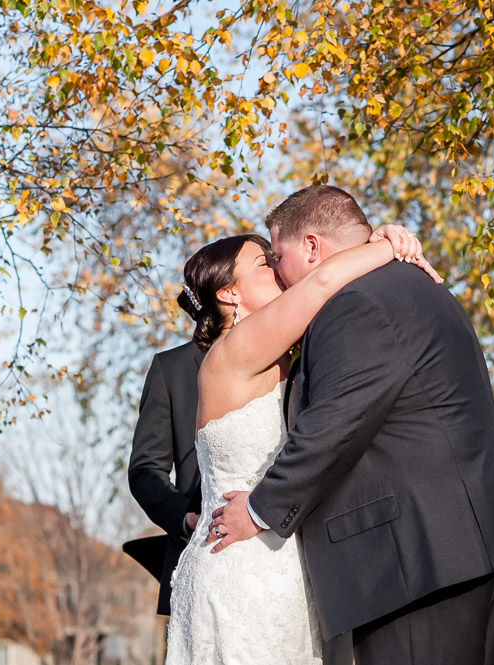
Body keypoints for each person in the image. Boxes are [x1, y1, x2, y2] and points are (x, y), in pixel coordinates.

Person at [208, 185, 494, 665]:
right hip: (457, 544)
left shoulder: (355, 304)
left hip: (417, 558)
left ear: (311, 247)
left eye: (277, 256)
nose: (279, 273)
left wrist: (262, 509)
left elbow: (335, 424)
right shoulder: (414, 284)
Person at [165, 227, 438, 665]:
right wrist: (388, 245)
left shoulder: (277, 353)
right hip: (245, 571)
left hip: (284, 561)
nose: (277, 268)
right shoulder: (237, 349)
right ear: (230, 294)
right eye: (264, 264)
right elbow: (324, 282)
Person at [127, 339, 204, 616]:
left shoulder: (294, 354)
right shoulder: (172, 368)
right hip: (203, 557)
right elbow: (145, 469)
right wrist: (185, 517)